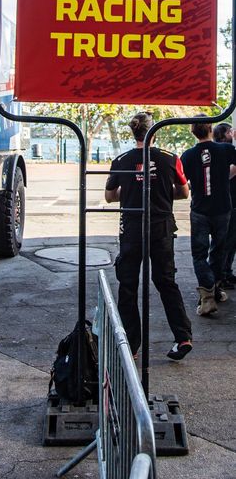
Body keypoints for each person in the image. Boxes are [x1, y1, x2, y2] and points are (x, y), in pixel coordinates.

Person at [105, 112, 193, 361]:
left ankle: (130, 346)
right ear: (154, 132)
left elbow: (110, 196)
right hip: (161, 226)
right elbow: (184, 192)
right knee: (166, 281)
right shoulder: (169, 159)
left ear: (133, 133)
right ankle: (182, 336)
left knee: (128, 284)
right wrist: (160, 191)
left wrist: (135, 188)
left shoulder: (121, 160)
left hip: (132, 227)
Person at [181, 117, 236, 315]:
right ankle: (213, 290)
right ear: (211, 129)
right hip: (222, 208)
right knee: (219, 250)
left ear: (192, 131)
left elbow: (181, 184)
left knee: (199, 254)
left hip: (200, 209)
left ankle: (208, 294)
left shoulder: (187, 156)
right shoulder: (226, 150)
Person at [212, 122, 236, 288]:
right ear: (222, 135)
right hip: (227, 203)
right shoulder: (222, 151)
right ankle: (221, 275)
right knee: (226, 241)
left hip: (232, 201)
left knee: (232, 241)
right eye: (230, 132)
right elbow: (228, 174)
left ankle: (226, 272)